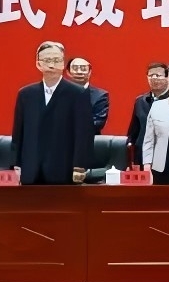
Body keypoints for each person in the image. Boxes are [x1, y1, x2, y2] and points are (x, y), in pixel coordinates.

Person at [11, 40, 92, 185]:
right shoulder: (26, 94)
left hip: (63, 169)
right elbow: (18, 133)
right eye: (47, 60)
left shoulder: (78, 93)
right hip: (31, 170)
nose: (51, 65)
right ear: (38, 64)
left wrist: (79, 167)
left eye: (56, 60)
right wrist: (16, 164)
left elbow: (83, 134)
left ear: (63, 63)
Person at [124, 62, 169, 155]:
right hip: (142, 153)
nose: (154, 78)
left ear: (167, 78)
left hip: (167, 154)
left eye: (158, 75)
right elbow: (134, 131)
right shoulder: (140, 101)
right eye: (151, 75)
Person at [66, 55, 109, 138]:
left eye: (83, 68)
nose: (79, 72)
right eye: (75, 68)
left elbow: (97, 123)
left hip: (88, 141)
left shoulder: (100, 95)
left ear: (89, 72)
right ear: (68, 72)